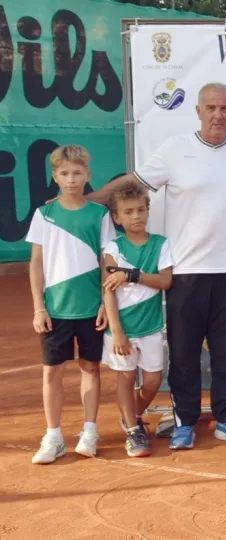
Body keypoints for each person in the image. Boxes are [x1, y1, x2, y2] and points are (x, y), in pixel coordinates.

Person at [88, 82, 226, 450]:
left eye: (225, 108)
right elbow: (133, 182)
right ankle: (184, 420)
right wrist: (86, 201)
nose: (218, 114)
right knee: (183, 353)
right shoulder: (175, 149)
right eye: (211, 108)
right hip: (184, 272)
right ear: (197, 111)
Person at [27, 145, 114, 464]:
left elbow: (108, 264)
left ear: (88, 175)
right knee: (52, 372)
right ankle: (54, 436)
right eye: (64, 173)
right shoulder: (44, 214)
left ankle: (89, 431)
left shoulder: (100, 215)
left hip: (91, 308)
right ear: (55, 177)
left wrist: (107, 302)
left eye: (77, 173)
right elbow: (36, 264)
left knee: (90, 368)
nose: (71, 179)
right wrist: (39, 307)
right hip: (55, 310)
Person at [101, 182, 174, 457]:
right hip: (123, 330)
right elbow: (107, 291)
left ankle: (131, 415)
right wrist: (117, 331)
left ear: (148, 211)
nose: (136, 216)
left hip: (151, 326)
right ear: (117, 218)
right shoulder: (113, 247)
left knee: (154, 380)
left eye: (141, 210)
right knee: (125, 378)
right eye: (128, 212)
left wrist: (131, 275)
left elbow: (166, 281)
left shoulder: (161, 244)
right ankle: (134, 430)